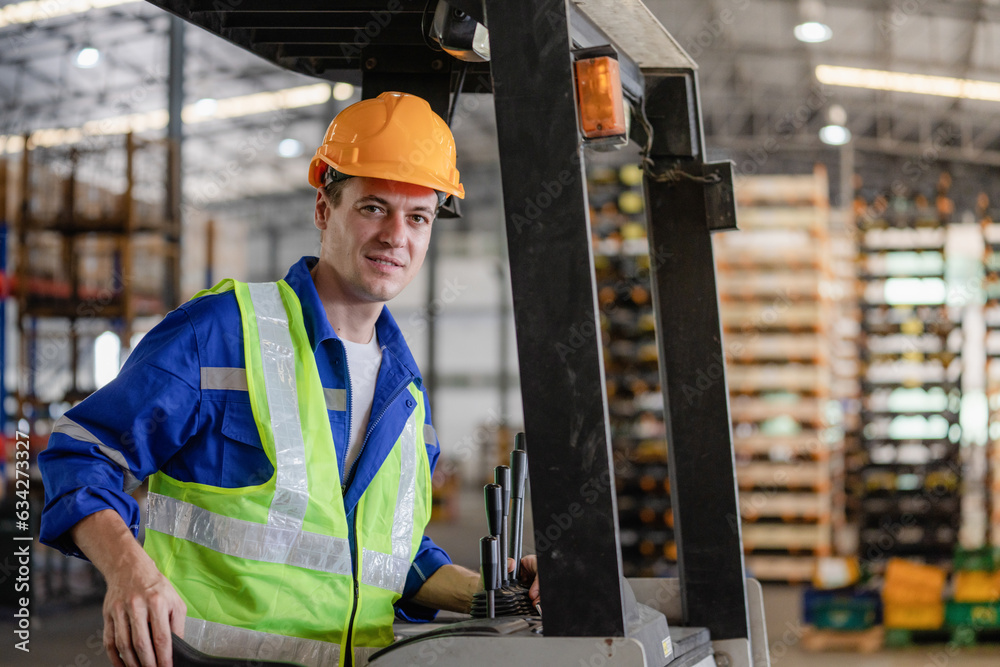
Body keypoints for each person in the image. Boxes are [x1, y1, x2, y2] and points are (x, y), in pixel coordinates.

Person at [39, 91, 539, 667]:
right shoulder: (223, 332)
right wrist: (130, 573)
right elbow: (81, 453)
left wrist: (494, 593)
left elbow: (386, 557)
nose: (396, 235)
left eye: (418, 216)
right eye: (373, 207)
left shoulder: (407, 393)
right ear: (324, 209)